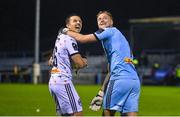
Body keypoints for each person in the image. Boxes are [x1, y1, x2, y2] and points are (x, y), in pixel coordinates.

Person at [62, 11, 141, 116]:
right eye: (99, 19)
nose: (101, 20)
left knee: (107, 113)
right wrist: (101, 91)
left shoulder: (109, 31)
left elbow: (83, 39)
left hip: (119, 79)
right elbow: (110, 69)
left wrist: (65, 31)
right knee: (130, 113)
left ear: (111, 22)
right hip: (134, 81)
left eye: (105, 18)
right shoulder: (118, 38)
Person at [48, 14, 87, 116]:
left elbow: (50, 61)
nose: (78, 23)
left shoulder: (60, 37)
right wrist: (84, 62)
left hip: (53, 81)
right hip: (63, 81)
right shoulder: (69, 39)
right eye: (75, 21)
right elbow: (80, 63)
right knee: (77, 113)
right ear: (68, 26)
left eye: (80, 21)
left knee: (64, 114)